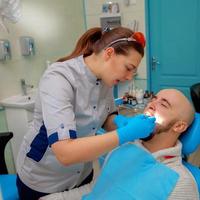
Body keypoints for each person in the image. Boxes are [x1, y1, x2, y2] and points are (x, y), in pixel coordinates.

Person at [16, 26, 156, 200]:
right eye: (128, 68)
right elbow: (65, 152)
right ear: (109, 53)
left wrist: (119, 122)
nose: (129, 77)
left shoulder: (105, 79)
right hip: (44, 179)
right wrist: (125, 133)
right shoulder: (59, 78)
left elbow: (107, 117)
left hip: (82, 175)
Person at [40, 89, 199, 200]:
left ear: (179, 126)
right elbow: (95, 190)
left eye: (163, 104)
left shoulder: (179, 182)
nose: (151, 104)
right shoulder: (123, 149)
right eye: (154, 99)